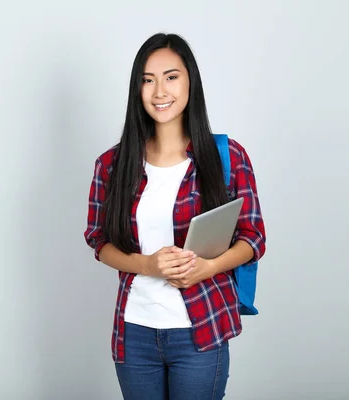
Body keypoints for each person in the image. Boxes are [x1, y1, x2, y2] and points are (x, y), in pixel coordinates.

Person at [83, 32, 267, 399]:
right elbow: (98, 241)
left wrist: (209, 268)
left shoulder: (227, 157)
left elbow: (253, 237)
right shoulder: (111, 164)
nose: (159, 91)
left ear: (190, 82)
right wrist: (147, 265)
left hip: (200, 329)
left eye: (171, 77)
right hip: (134, 332)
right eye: (147, 81)